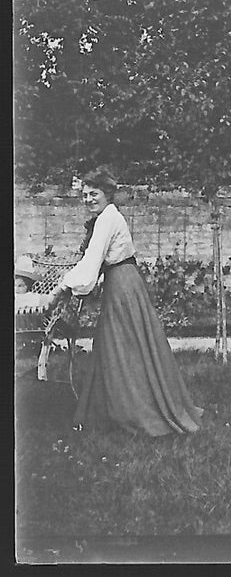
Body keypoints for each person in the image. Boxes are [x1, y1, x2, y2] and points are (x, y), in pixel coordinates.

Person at [41, 167, 204, 436]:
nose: (88, 199)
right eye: (85, 195)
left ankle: (136, 410)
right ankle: (119, 406)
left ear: (107, 194)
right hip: (122, 282)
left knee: (124, 346)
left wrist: (60, 289)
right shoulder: (107, 217)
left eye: (94, 194)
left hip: (123, 285)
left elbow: (91, 262)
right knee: (122, 345)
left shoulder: (108, 219)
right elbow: (93, 263)